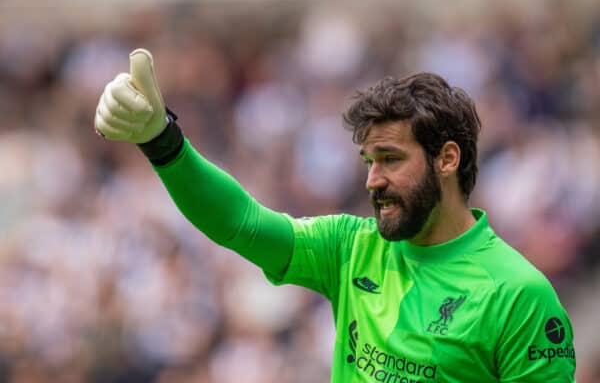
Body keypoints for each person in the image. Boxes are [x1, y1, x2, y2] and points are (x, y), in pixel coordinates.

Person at [95, 49, 576, 382]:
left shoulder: (518, 295)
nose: (373, 180)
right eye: (369, 162)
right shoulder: (351, 247)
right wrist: (162, 140)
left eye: (391, 159)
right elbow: (239, 223)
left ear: (447, 159)